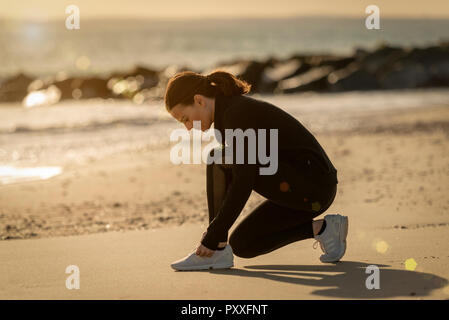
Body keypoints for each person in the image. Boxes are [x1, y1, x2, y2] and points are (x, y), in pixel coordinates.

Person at [165, 70, 348, 271]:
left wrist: (211, 235)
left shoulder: (236, 114)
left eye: (185, 119)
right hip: (299, 189)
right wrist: (216, 233)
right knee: (243, 244)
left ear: (199, 101)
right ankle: (325, 229)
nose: (188, 128)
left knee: (219, 158)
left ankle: (214, 246)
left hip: (314, 189)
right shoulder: (227, 116)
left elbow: (244, 182)